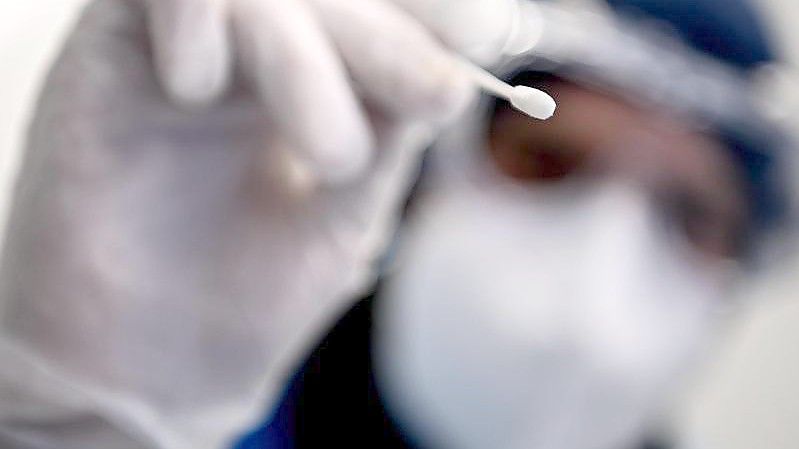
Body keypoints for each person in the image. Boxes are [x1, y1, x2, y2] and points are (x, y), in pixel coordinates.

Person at [0, 1, 791, 449]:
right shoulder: (194, 422)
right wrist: (79, 426)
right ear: (424, 180)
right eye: (548, 163)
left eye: (689, 214)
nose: (602, 263)